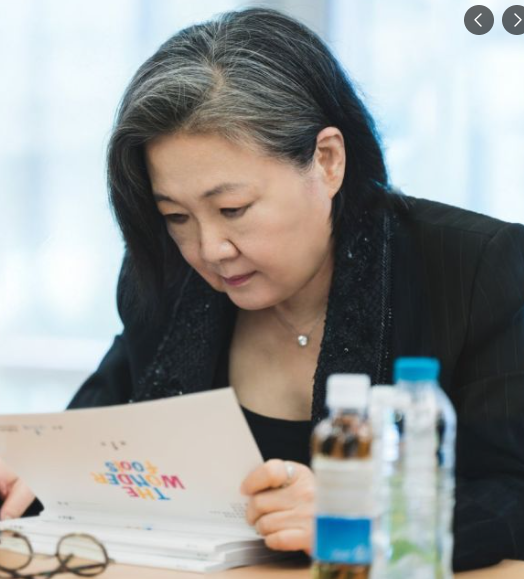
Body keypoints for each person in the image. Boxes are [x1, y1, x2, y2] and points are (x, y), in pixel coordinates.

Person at [1, 7, 524, 572]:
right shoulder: (166, 277)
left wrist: (370, 516)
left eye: (233, 209)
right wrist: (35, 475)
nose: (209, 249)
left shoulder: (475, 267)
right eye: (176, 216)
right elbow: (89, 438)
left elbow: (512, 491)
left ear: (327, 161)